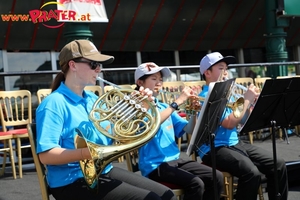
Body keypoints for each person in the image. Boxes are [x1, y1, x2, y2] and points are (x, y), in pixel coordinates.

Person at [35, 39, 177, 200]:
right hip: (70, 181)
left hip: (103, 170)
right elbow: (46, 155)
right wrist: (88, 153)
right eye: (94, 64)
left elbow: (112, 134)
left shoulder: (92, 99)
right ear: (73, 65)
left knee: (167, 195)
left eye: (100, 65)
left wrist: (140, 107)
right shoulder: (54, 103)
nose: (99, 70)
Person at [197, 52, 288, 200]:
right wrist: (246, 100)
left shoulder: (229, 93)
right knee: (251, 173)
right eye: (221, 68)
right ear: (207, 73)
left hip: (234, 143)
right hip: (215, 148)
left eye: (226, 68)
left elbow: (242, 119)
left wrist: (252, 104)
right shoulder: (207, 95)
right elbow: (228, 123)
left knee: (278, 164)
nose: (226, 72)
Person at [134, 62, 224, 200]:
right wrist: (177, 102)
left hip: (175, 159)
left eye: (160, 79)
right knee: (196, 183)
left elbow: (188, 129)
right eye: (154, 79)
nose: (159, 83)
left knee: (216, 176)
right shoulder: (138, 108)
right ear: (140, 82)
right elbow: (154, 122)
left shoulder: (163, 106)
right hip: (154, 165)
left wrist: (194, 112)